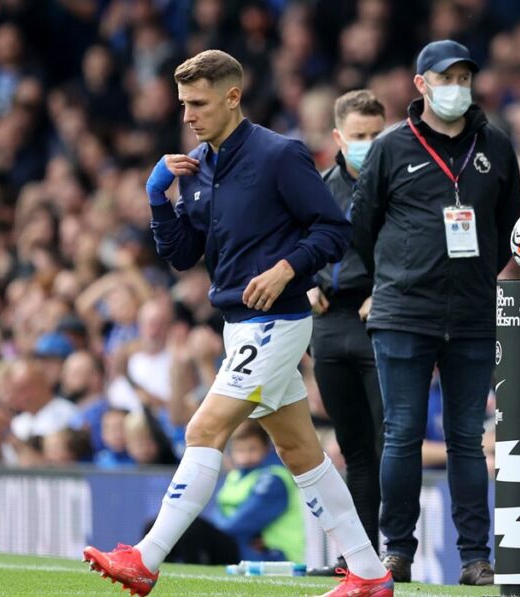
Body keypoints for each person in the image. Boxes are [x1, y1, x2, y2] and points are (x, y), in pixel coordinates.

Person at [81, 50, 393, 597]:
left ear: (232, 97)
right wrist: (158, 199)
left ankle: (146, 558)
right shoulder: (198, 168)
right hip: (239, 324)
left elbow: (333, 230)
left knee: (204, 430)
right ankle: (368, 571)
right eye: (182, 104)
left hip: (277, 321)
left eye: (198, 103)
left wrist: (286, 267)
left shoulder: (280, 155)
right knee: (301, 451)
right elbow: (181, 255)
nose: (188, 116)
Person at [351, 39, 520, 586]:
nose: (457, 86)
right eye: (446, 77)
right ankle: (396, 551)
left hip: (472, 314)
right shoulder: (390, 147)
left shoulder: (495, 144)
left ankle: (475, 558)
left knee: (467, 439)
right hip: (403, 311)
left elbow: (505, 225)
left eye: (465, 76)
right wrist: (395, 276)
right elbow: (363, 225)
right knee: (401, 433)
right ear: (421, 84)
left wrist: (474, 278)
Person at [307, 89, 387, 576]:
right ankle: (359, 558)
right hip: (328, 324)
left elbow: (417, 245)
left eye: (377, 135)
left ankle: (395, 552)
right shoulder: (319, 187)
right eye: (359, 136)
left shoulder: (402, 185)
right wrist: (302, 285)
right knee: (354, 448)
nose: (369, 144)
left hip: (379, 316)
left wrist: (388, 290)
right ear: (339, 137)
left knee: (388, 444)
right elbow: (296, 243)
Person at [214, 420, 304, 563]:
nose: (246, 456)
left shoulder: (274, 479)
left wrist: (214, 534)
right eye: (240, 450)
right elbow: (218, 512)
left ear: (265, 448)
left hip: (275, 555)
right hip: (242, 546)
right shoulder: (234, 476)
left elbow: (242, 524)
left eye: (252, 449)